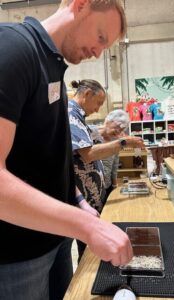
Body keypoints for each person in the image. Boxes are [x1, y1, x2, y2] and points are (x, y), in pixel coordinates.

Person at [0, 1, 133, 300]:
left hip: (55, 242)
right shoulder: (13, 48)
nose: (99, 52)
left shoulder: (53, 71)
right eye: (100, 37)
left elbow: (50, 157)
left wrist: (76, 200)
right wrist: (85, 225)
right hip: (16, 256)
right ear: (81, 5)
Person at [68, 80, 145, 261]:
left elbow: (93, 138)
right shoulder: (71, 113)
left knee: (91, 249)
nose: (97, 109)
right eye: (98, 103)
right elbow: (88, 154)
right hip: (84, 200)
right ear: (87, 94)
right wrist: (124, 142)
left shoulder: (78, 117)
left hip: (91, 197)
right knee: (88, 254)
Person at [91, 109, 130, 198]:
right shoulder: (91, 134)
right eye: (117, 126)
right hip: (91, 187)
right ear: (108, 121)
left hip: (106, 186)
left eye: (121, 129)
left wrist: (114, 186)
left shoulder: (115, 141)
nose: (118, 131)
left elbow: (115, 165)